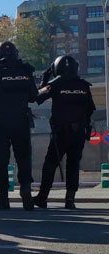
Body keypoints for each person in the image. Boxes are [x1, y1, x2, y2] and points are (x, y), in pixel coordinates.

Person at [0, 41, 38, 210]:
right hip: (22, 122)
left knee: (1, 161)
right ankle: (26, 191)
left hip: (1, 123)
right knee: (24, 158)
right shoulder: (26, 70)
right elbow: (33, 96)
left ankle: (3, 198)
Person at [34, 55, 95, 209]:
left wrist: (44, 80)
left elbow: (36, 97)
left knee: (50, 165)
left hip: (60, 133)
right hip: (79, 133)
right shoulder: (84, 86)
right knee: (73, 165)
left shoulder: (56, 84)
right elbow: (90, 109)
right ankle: (70, 200)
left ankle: (42, 197)